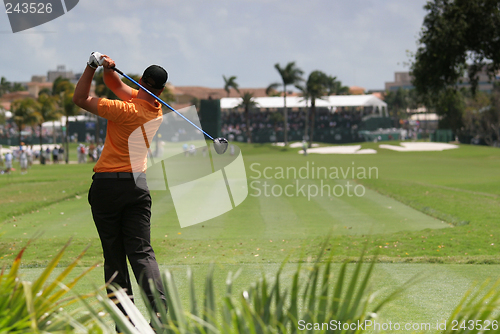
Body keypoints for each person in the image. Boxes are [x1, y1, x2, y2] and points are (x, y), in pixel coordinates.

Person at [73, 52, 167, 323]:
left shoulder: (125, 109)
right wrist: (109, 70)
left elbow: (79, 99)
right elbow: (116, 85)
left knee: (114, 257)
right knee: (141, 252)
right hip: (137, 186)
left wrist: (91, 66)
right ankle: (159, 311)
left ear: (141, 81)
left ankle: (126, 323)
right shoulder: (155, 109)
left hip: (107, 187)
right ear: (160, 90)